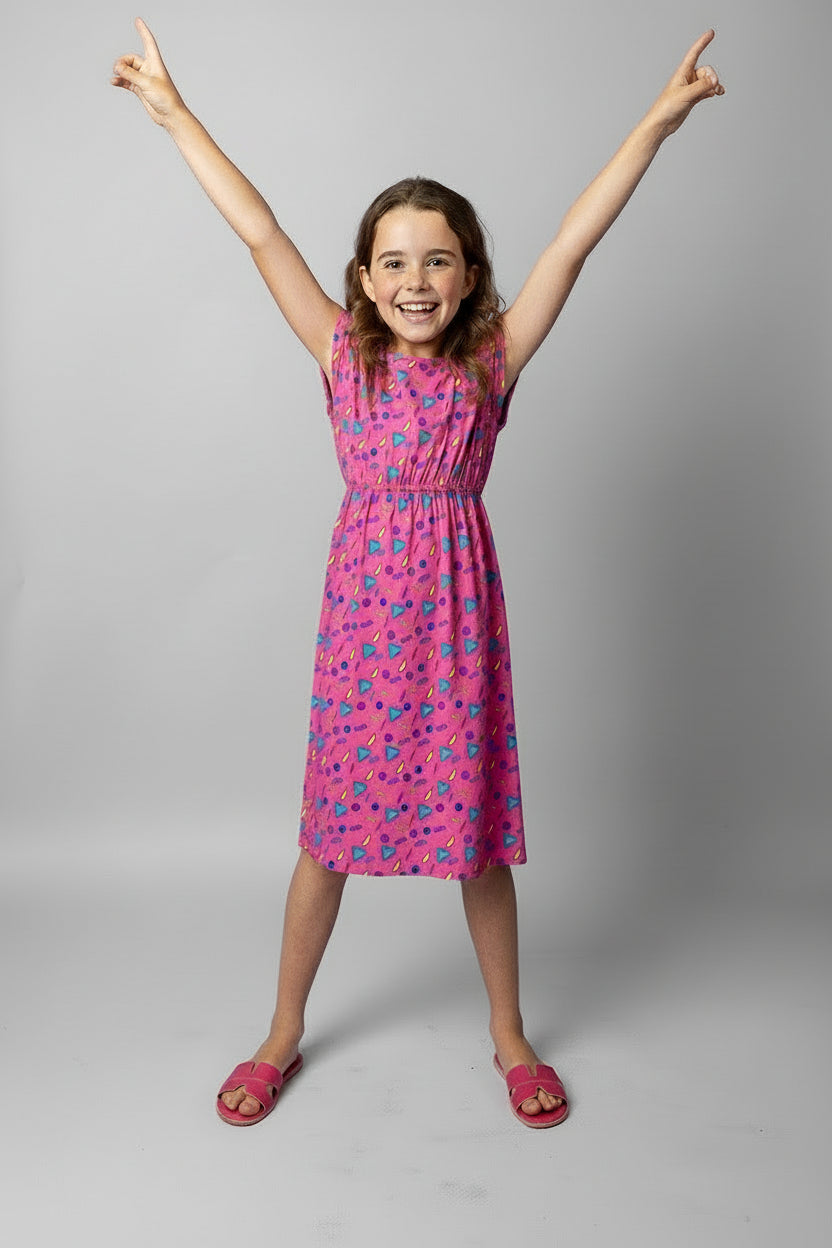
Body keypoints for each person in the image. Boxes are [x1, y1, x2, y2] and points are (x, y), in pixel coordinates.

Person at [111, 18, 723, 1129]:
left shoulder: (493, 360)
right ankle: (282, 1031)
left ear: (470, 274)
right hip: (361, 623)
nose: (415, 277)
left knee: (477, 839)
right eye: (393, 260)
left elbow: (571, 248)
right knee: (327, 839)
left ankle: (509, 1036)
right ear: (362, 278)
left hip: (457, 627)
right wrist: (173, 114)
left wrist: (654, 123)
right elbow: (258, 232)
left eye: (438, 257)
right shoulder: (343, 358)